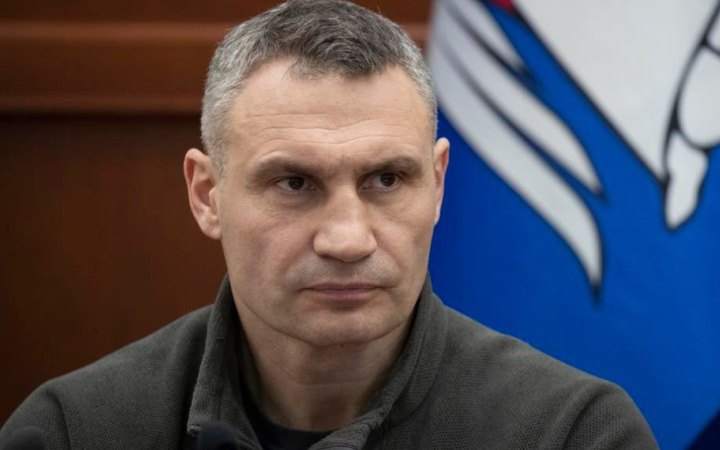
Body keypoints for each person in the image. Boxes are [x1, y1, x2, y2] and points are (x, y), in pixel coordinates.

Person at [0, 1, 658, 448]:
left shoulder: (572, 433)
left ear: (438, 185)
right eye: (294, 183)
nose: (348, 239)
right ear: (207, 195)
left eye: (386, 180)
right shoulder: (71, 432)